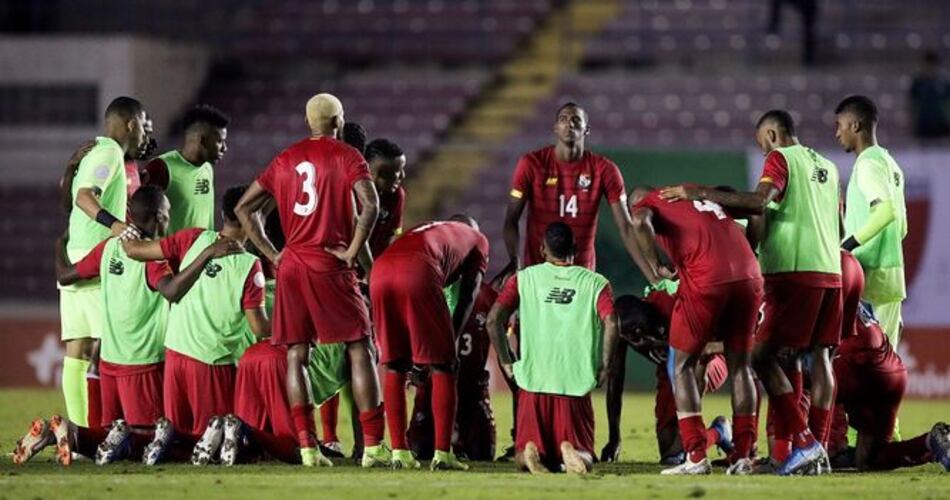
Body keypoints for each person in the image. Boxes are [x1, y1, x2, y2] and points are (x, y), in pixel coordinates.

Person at [661, 109, 841, 475]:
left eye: (762, 146)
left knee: (759, 358)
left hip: (795, 271)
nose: (763, 155)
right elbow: (837, 221)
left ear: (772, 136)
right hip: (832, 271)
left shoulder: (780, 158)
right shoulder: (827, 165)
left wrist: (696, 192)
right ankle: (803, 448)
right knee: (811, 359)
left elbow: (759, 202)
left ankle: (807, 443)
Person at [233, 93, 388, 468]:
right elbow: (370, 205)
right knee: (359, 347)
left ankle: (307, 447)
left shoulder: (285, 158)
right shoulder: (347, 156)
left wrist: (272, 254)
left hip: (292, 266)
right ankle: (372, 447)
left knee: (296, 354)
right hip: (329, 263)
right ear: (339, 121)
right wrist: (352, 252)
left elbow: (243, 208)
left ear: (308, 122)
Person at [122, 185, 269, 465]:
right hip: (211, 363)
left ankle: (151, 439)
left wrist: (128, 232)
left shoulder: (193, 238)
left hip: (176, 353)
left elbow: (135, 251)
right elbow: (260, 328)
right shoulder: (250, 265)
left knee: (181, 448)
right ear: (253, 218)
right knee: (215, 446)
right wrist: (293, 328)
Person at [629, 186, 762, 475]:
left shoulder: (647, 204)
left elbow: (640, 222)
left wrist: (656, 264)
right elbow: (757, 211)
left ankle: (696, 455)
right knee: (741, 368)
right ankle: (743, 455)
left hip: (707, 277)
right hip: (750, 274)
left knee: (681, 365)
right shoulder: (691, 198)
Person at [488, 222, 619, 475]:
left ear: (541, 249)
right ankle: (573, 451)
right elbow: (612, 321)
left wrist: (506, 361)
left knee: (523, 453)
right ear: (576, 248)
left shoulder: (523, 279)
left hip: (533, 383)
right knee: (585, 455)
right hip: (575, 383)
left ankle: (528, 454)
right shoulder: (596, 283)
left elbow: (494, 320)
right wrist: (606, 365)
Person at [372, 216, 488, 470]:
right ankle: (443, 455)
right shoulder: (478, 240)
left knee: (395, 365)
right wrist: (451, 340)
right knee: (443, 366)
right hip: (417, 271)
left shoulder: (432, 228)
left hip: (379, 271)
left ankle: (400, 454)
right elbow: (469, 295)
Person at [60, 96, 147, 428]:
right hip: (97, 264)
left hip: (75, 258)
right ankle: (112, 428)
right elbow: (85, 197)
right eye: (141, 124)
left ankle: (78, 432)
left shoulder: (95, 152)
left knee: (77, 352)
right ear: (130, 124)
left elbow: (70, 192)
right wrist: (116, 225)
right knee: (113, 350)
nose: (143, 134)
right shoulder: (110, 151)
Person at [828, 251, 950, 472]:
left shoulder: (820, 289)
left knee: (807, 376)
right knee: (870, 460)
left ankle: (828, 449)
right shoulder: (851, 285)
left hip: (858, 367)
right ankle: (931, 442)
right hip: (891, 372)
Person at [602, 292, 733, 466]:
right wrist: (614, 437)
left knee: (680, 449)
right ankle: (719, 432)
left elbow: (708, 345)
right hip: (669, 373)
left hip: (706, 360)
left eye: (639, 336)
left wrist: (659, 343)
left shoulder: (673, 305)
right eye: (630, 338)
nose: (637, 342)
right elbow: (615, 381)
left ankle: (698, 444)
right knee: (670, 457)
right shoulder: (621, 328)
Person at [836, 95, 908, 349]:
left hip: (869, 277)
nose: (837, 133)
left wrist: (847, 245)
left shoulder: (867, 164)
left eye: (840, 125)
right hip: (892, 277)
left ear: (855, 126)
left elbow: (886, 212)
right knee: (885, 366)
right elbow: (902, 227)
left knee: (863, 364)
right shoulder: (891, 164)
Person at [407, 282, 499, 462]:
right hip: (430, 392)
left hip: (473, 392)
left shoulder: (488, 295)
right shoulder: (425, 290)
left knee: (482, 454)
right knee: (420, 451)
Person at [143, 104, 230, 233]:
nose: (225, 148)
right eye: (220, 141)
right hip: (175, 253)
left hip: (204, 252)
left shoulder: (207, 168)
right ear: (202, 140)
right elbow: (144, 218)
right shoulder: (160, 168)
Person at [365, 138, 407, 258]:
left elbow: (395, 233)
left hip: (374, 266)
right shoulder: (351, 195)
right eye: (397, 171)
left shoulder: (396, 196)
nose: (402, 176)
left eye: (402, 169)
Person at [909, 51, 950, 140]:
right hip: (923, 122)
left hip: (940, 121)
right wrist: (912, 119)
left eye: (932, 65)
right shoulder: (918, 82)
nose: (930, 68)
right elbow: (912, 102)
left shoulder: (944, 82)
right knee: (924, 149)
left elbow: (948, 101)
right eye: (928, 65)